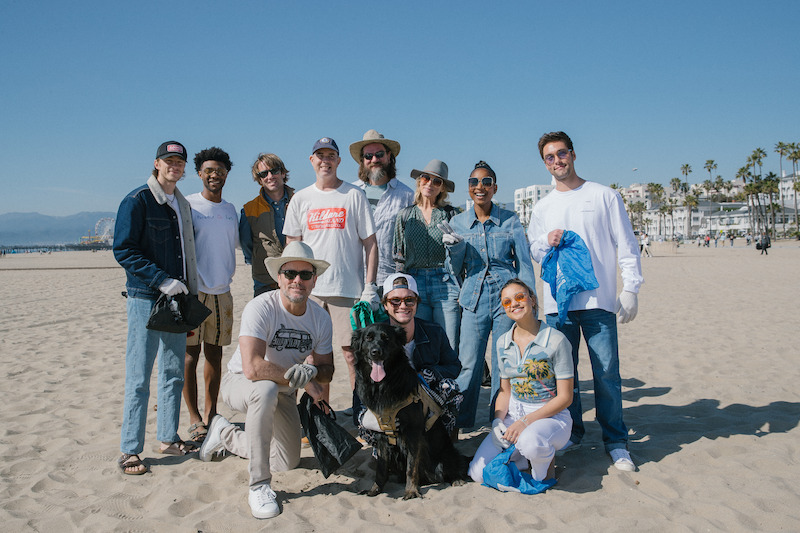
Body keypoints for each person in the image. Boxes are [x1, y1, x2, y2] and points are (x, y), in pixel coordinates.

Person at [528, 131, 643, 471]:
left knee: (606, 374)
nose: (557, 161)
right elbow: (534, 249)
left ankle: (616, 441)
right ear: (545, 163)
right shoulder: (542, 206)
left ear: (573, 154)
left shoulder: (604, 195)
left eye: (562, 153)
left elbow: (626, 243)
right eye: (550, 157)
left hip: (598, 302)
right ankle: (573, 433)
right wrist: (546, 241)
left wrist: (631, 287)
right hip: (557, 306)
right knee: (566, 375)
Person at [199, 241, 334, 519]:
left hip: (283, 389)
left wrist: (312, 373)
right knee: (265, 388)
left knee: (287, 461)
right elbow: (252, 368)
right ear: (279, 278)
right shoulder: (260, 307)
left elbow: (327, 370)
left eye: (305, 275)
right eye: (290, 273)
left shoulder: (320, 318)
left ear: (314, 280)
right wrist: (303, 381)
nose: (297, 280)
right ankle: (259, 485)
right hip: (241, 383)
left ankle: (224, 434)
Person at [113, 140, 199, 475]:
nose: (174, 166)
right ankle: (130, 450)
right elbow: (124, 250)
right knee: (139, 376)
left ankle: (168, 437)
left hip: (177, 299)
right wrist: (161, 279)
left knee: (173, 372)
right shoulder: (137, 200)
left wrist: (188, 291)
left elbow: (187, 251)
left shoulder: (181, 204)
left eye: (179, 162)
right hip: (145, 297)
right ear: (156, 163)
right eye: (169, 160)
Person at [283, 137, 378, 410]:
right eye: (320, 155)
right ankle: (320, 413)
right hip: (309, 291)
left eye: (330, 156)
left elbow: (371, 244)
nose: (325, 161)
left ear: (338, 161)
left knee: (352, 355)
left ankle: (361, 414)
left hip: (347, 290)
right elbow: (292, 246)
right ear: (312, 160)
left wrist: (369, 286)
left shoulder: (353, 195)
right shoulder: (301, 198)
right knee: (312, 358)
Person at [442, 161, 536, 430]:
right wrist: (454, 249)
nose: (480, 187)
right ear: (468, 188)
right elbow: (453, 269)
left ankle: (499, 419)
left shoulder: (510, 220)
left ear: (495, 187)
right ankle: (460, 422)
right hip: (473, 298)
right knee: (468, 362)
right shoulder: (457, 222)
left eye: (486, 182)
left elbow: (523, 264)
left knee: (502, 361)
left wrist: (529, 301)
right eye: (474, 182)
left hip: (509, 300)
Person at [468, 279, 573, 484]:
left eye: (519, 297)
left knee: (530, 442)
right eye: (507, 302)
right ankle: (524, 459)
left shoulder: (556, 340)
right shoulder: (502, 342)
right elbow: (505, 391)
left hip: (551, 416)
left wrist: (525, 422)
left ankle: (543, 465)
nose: (514, 304)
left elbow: (566, 397)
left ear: (532, 300)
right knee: (478, 473)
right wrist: (497, 421)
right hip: (514, 415)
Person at [358, 273, 463, 441]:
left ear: (417, 303)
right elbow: (360, 378)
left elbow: (454, 366)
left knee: (450, 387)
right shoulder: (372, 336)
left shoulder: (434, 331)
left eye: (409, 300)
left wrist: (427, 374)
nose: (403, 306)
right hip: (389, 395)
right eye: (395, 300)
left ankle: (443, 439)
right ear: (385, 305)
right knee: (367, 417)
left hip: (422, 394)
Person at [183, 147, 239, 443]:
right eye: (209, 171)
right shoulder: (188, 205)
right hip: (194, 292)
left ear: (227, 174)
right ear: (199, 174)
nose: (214, 175)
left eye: (220, 171)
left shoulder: (230, 210)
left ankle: (211, 412)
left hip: (222, 292)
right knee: (189, 356)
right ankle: (194, 418)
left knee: (215, 355)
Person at [392, 159, 460, 350]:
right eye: (426, 178)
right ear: (419, 181)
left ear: (442, 188)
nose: (430, 184)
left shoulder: (451, 214)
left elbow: (460, 255)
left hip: (445, 282)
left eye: (437, 181)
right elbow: (398, 256)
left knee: (449, 343)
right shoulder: (405, 215)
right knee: (420, 343)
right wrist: (401, 288)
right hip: (415, 282)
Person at [350, 129, 414, 285]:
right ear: (362, 160)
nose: (374, 159)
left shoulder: (407, 196)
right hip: (353, 279)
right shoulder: (350, 193)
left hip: (390, 281)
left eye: (379, 154)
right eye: (368, 156)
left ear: (389, 156)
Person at [239, 153, 295, 296]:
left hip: (297, 278)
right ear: (259, 179)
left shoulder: (300, 201)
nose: (270, 176)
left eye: (274, 171)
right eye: (264, 174)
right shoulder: (249, 210)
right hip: (265, 281)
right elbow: (247, 246)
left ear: (283, 173)